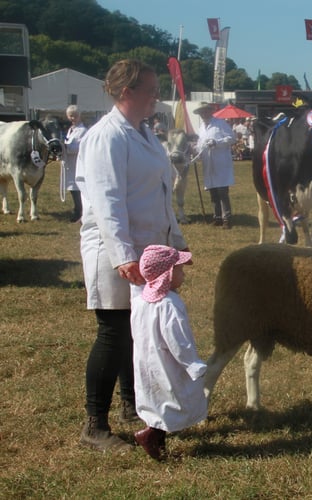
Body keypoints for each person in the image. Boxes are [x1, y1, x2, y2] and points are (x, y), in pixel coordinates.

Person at [77, 59, 189, 452]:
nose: (156, 98)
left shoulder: (145, 134)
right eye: (151, 90)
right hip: (114, 247)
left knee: (138, 331)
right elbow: (107, 202)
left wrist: (177, 244)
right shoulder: (106, 136)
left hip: (150, 248)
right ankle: (94, 424)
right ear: (127, 93)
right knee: (113, 333)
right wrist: (123, 255)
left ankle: (132, 404)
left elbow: (163, 193)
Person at [131, 245, 207, 461]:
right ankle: (150, 436)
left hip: (147, 362)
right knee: (175, 400)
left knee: (156, 401)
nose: (183, 275)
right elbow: (178, 341)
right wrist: (193, 364)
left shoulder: (140, 300)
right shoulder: (169, 304)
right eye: (180, 270)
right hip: (168, 363)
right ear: (169, 274)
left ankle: (157, 440)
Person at [194, 102, 236, 228]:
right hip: (208, 163)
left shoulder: (220, 124)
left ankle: (227, 219)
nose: (203, 114)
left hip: (220, 162)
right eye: (201, 112)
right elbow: (200, 144)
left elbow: (232, 138)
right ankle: (217, 217)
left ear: (210, 112)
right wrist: (195, 149)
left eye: (205, 111)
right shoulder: (201, 128)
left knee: (222, 191)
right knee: (213, 191)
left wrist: (216, 142)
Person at [62, 104, 87, 222]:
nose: (73, 118)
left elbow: (79, 147)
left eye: (75, 116)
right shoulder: (70, 130)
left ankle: (79, 212)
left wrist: (65, 147)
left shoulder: (83, 131)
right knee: (73, 189)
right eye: (70, 116)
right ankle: (77, 210)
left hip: (77, 162)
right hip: (70, 163)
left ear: (79, 116)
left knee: (77, 189)